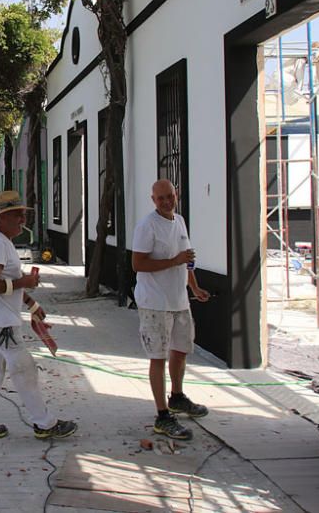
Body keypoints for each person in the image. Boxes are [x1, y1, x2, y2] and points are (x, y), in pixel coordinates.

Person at [0, 190, 77, 441]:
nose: (22, 220)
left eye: (22, 214)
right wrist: (25, 282)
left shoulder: (2, 243)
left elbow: (6, 281)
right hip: (0, 323)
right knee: (24, 368)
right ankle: (44, 423)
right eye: (16, 215)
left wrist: (30, 302)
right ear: (1, 218)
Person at [131, 179, 211, 440]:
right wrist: (172, 261)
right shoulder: (147, 226)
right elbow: (138, 264)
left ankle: (177, 396)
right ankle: (162, 415)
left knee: (180, 351)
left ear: (175, 195)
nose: (166, 201)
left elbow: (186, 259)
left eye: (170, 196)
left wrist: (195, 288)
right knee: (158, 357)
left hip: (179, 301)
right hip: (155, 302)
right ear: (153, 200)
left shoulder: (179, 221)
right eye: (161, 198)